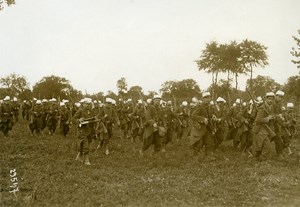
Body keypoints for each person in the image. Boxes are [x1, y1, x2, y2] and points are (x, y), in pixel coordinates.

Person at [190, 92, 216, 161]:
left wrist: (213, 116)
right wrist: (202, 119)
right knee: (199, 143)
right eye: (205, 98)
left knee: (209, 142)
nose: (207, 99)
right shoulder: (200, 107)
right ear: (203, 99)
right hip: (200, 128)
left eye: (208, 98)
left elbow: (209, 115)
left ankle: (207, 156)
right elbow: (193, 116)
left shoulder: (209, 107)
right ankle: (195, 156)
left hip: (208, 128)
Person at [252, 92, 277, 161]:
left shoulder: (270, 107)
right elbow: (258, 120)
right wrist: (268, 118)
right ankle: (261, 159)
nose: (270, 100)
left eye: (272, 99)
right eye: (269, 99)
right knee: (266, 146)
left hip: (266, 129)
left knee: (261, 145)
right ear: (265, 99)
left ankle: (258, 158)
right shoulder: (262, 108)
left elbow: (271, 116)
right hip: (260, 128)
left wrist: (272, 117)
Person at [73, 98, 97, 165]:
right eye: (86, 104)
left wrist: (95, 120)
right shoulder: (80, 111)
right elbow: (73, 119)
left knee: (85, 144)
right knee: (85, 145)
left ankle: (78, 157)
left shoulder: (91, 111)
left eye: (89, 104)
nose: (87, 105)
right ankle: (86, 160)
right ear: (83, 104)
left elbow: (93, 120)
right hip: (82, 131)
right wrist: (79, 120)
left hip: (89, 131)